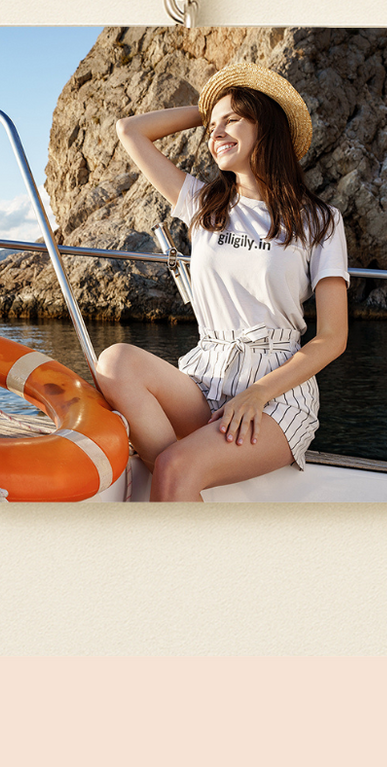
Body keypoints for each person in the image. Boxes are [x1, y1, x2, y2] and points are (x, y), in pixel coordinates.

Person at [97, 63, 348, 502]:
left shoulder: (321, 220)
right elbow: (130, 131)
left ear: (266, 126)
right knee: (115, 361)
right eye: (212, 127)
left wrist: (255, 394)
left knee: (174, 466)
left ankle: (182, 479)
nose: (216, 133)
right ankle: (186, 484)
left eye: (233, 118)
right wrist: (208, 112)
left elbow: (333, 338)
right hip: (204, 374)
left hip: (275, 391)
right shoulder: (202, 202)